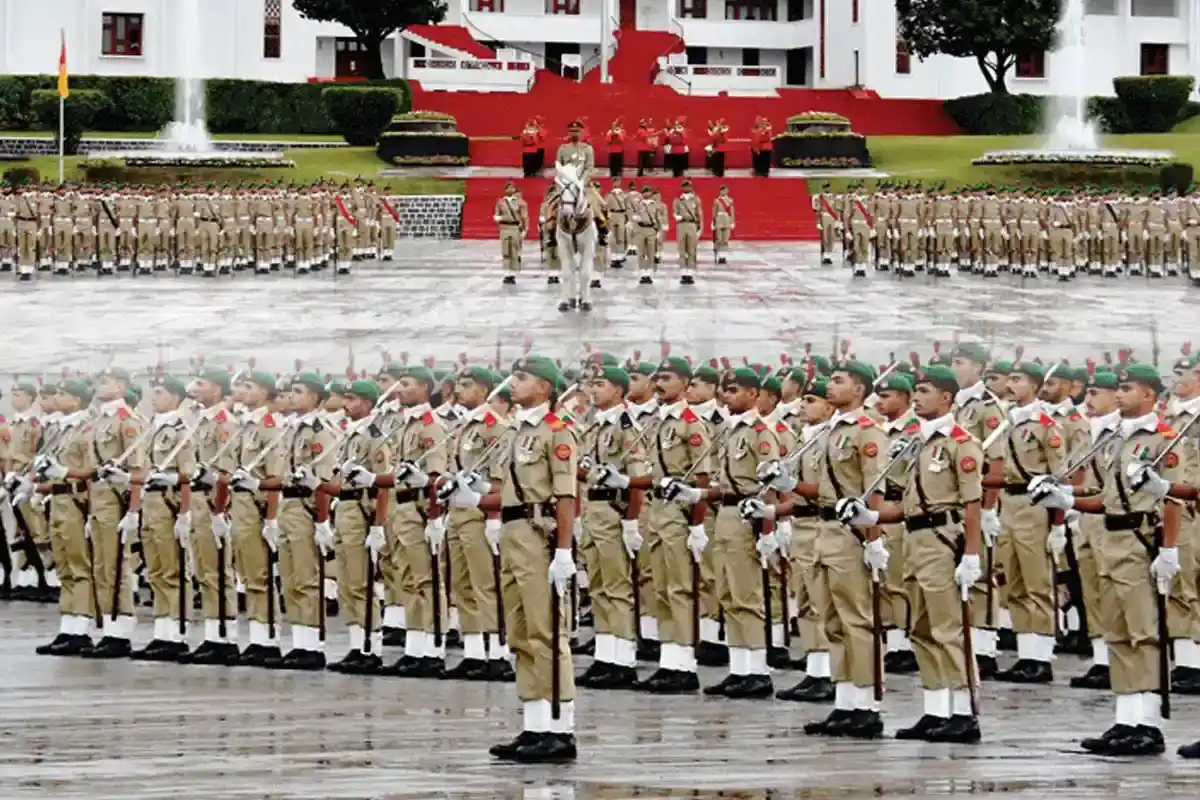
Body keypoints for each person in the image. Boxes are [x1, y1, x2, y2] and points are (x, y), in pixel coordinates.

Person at [1030, 362, 1187, 756]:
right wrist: (1067, 500)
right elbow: (1103, 497)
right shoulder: (1113, 436)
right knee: (1116, 633)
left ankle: (1148, 724)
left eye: (1128, 389)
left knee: (1143, 633)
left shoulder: (1163, 438)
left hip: (1140, 541)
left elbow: (1171, 498)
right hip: (1109, 539)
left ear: (1150, 395)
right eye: (1118, 388)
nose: (1119, 395)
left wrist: (1168, 549)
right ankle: (1125, 718)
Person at [832, 364, 985, 743]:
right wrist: (870, 516)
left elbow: (972, 505)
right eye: (916, 391)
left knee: (949, 628)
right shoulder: (918, 441)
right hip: (915, 538)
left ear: (947, 397)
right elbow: (907, 505)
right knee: (920, 628)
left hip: (942, 539)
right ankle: (936, 709)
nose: (917, 397)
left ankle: (964, 712)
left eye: (926, 391)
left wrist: (971, 554)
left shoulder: (960, 442)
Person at [441, 354, 580, 763]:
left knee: (546, 632)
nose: (512, 385)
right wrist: (475, 499)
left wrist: (564, 552)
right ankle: (535, 724)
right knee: (519, 633)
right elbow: (509, 494)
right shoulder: (516, 431)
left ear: (544, 387)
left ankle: (561, 728)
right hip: (514, 532)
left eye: (521, 378)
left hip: (540, 536)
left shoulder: (559, 432)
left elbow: (567, 496)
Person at [983, 361, 1068, 683]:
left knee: (1037, 583)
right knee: (1014, 582)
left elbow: (1059, 478)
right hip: (1010, 503)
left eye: (1018, 380)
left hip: (1036, 506)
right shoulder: (1009, 421)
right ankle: (1025, 652)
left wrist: (1058, 523)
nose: (1011, 384)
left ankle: (1041, 657)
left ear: (1034, 385)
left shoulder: (1046, 424)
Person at [632, 356, 712, 695]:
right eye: (657, 377)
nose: (659, 383)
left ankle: (684, 665)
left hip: (680, 516)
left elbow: (703, 477)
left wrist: (697, 526)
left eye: (667, 378)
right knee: (661, 589)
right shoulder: (659, 422)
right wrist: (631, 481)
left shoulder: (692, 423)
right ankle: (669, 660)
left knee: (680, 589)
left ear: (684, 384)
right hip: (658, 514)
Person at [438, 366, 514, 682]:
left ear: (484, 391)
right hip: (458, 512)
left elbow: (500, 481)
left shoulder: (494, 427)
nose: (459, 389)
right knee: (461, 585)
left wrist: (494, 519)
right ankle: (473, 652)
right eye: (458, 384)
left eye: (467, 385)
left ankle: (497, 653)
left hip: (480, 515)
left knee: (486, 585)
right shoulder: (464, 425)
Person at [577, 365, 650, 690]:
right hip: (594, 510)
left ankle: (623, 660)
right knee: (599, 587)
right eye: (591, 384)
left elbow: (637, 479)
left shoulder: (625, 426)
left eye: (600, 385)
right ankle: (605, 657)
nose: (593, 390)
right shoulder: (594, 425)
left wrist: (632, 521)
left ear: (618, 391)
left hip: (613, 510)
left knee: (617, 588)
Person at [382, 366, 449, 678]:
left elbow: (435, 477)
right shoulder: (406, 424)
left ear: (425, 387)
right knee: (407, 579)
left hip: (420, 509)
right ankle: (415, 647)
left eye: (406, 384)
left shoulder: (429, 424)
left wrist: (435, 518)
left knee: (426, 580)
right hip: (402, 508)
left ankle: (433, 649)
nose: (399, 389)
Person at [134, 375, 195, 662]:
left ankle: (177, 634)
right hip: (151, 503)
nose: (153, 398)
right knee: (156, 571)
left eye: (159, 393)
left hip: (168, 503)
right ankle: (161, 630)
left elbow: (189, 475)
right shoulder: (153, 428)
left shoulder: (181, 429)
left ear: (175, 397)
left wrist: (185, 513)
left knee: (172, 570)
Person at [494, 181, 526, 285]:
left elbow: (524, 217)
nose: (510, 190)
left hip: (514, 227)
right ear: (505, 190)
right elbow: (496, 214)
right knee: (505, 250)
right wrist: (498, 218)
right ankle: (507, 273)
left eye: (512, 188)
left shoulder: (519, 202)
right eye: (508, 188)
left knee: (514, 249)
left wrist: (524, 229)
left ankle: (513, 273)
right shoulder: (500, 202)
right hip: (504, 227)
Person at [673, 180, 702, 285]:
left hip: (692, 225)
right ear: (682, 188)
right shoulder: (678, 200)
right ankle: (683, 273)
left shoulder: (696, 200)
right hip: (681, 225)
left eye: (689, 186)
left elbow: (699, 214)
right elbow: (674, 212)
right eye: (685, 187)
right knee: (682, 249)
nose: (687, 188)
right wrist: (676, 216)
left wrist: (700, 228)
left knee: (691, 250)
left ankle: (690, 273)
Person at [712, 186, 735, 265]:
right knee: (719, 239)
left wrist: (732, 222)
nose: (724, 192)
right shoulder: (717, 200)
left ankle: (724, 257)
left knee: (725, 240)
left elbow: (732, 212)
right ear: (720, 191)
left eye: (725, 190)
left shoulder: (730, 200)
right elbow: (714, 212)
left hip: (727, 220)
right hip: (719, 220)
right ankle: (719, 256)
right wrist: (713, 221)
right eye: (722, 190)